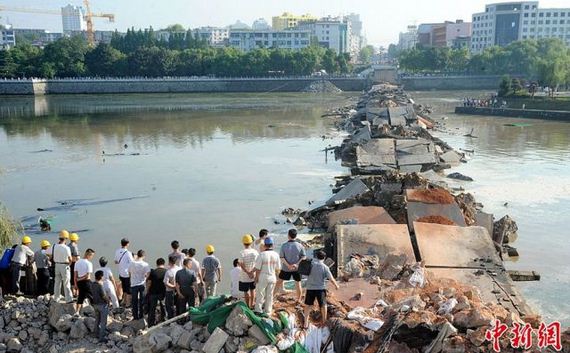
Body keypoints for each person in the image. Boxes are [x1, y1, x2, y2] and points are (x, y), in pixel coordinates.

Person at [303, 250, 339, 328]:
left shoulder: (311, 264)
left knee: (308, 305)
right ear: (324, 258)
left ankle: (305, 322)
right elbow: (331, 278)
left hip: (310, 288)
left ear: (316, 257)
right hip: (320, 289)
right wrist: (336, 285)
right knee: (323, 305)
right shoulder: (325, 267)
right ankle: (324, 321)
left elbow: (304, 272)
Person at [277, 229, 306, 301]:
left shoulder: (284, 245)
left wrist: (288, 265)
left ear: (288, 236)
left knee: (279, 282)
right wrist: (297, 264)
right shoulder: (300, 245)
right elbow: (304, 257)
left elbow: (282, 257)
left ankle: (271, 297)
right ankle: (298, 300)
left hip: (286, 268)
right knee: (298, 284)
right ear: (296, 236)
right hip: (297, 268)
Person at [254, 237, 281, 315]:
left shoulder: (262, 254)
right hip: (272, 276)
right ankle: (268, 311)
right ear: (272, 245)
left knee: (260, 293)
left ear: (265, 245)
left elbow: (258, 269)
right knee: (270, 295)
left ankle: (258, 310)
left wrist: (256, 278)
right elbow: (278, 269)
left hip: (263, 276)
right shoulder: (276, 255)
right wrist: (278, 278)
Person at [47, 230, 73, 303]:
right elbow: (70, 258)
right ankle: (68, 299)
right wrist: (69, 264)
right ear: (66, 239)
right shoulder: (66, 248)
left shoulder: (54, 246)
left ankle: (56, 298)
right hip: (65, 265)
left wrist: (53, 257)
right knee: (66, 282)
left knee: (57, 282)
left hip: (57, 265)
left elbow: (47, 253)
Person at [129, 249, 150, 321]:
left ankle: (135, 316)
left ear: (137, 255)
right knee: (142, 301)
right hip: (142, 284)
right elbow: (148, 274)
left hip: (133, 284)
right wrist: (145, 278)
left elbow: (129, 272)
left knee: (134, 301)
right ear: (143, 256)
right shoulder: (145, 264)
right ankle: (141, 315)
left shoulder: (132, 263)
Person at [238, 234, 258, 308]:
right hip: (253, 275)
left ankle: (247, 305)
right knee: (253, 290)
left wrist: (247, 272)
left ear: (243, 243)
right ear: (251, 242)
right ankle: (252, 304)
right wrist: (252, 272)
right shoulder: (255, 252)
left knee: (246, 291)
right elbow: (257, 264)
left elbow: (241, 264)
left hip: (244, 276)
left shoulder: (242, 252)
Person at [147, 258, 167, 326]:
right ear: (164, 264)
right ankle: (164, 321)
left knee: (152, 308)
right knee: (163, 307)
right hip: (163, 292)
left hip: (153, 292)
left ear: (156, 264)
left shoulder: (153, 272)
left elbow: (149, 282)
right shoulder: (166, 271)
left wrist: (147, 290)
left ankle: (151, 323)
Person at [91, 270, 110, 343]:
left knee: (97, 320)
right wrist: (108, 301)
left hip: (95, 305)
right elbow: (104, 296)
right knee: (103, 322)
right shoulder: (100, 285)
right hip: (102, 305)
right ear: (101, 277)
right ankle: (101, 337)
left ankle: (95, 334)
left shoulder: (92, 284)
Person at [74, 248, 95, 314]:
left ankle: (77, 312)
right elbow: (87, 276)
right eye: (92, 256)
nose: (92, 257)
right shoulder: (89, 263)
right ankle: (96, 311)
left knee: (80, 297)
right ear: (88, 255)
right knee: (92, 296)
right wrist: (80, 279)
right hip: (86, 282)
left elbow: (75, 275)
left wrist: (76, 284)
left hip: (79, 283)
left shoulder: (77, 262)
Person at [114, 238, 134, 306]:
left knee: (124, 287)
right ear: (127, 244)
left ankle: (124, 301)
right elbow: (132, 263)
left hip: (120, 273)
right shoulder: (128, 253)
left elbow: (116, 261)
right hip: (127, 274)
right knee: (128, 289)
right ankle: (128, 303)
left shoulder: (117, 251)